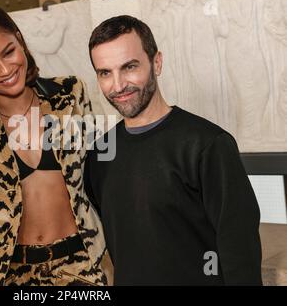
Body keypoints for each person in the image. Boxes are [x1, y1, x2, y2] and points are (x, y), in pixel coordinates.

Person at [0, 1, 111, 286]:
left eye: (9, 52)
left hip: (80, 268)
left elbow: (107, 177)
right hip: (10, 274)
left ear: (19, 39)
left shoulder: (69, 95)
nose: (5, 69)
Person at [84, 15, 262, 285]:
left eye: (130, 67)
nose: (118, 85)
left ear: (157, 62)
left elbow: (240, 254)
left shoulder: (207, 145)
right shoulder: (100, 155)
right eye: (105, 73)